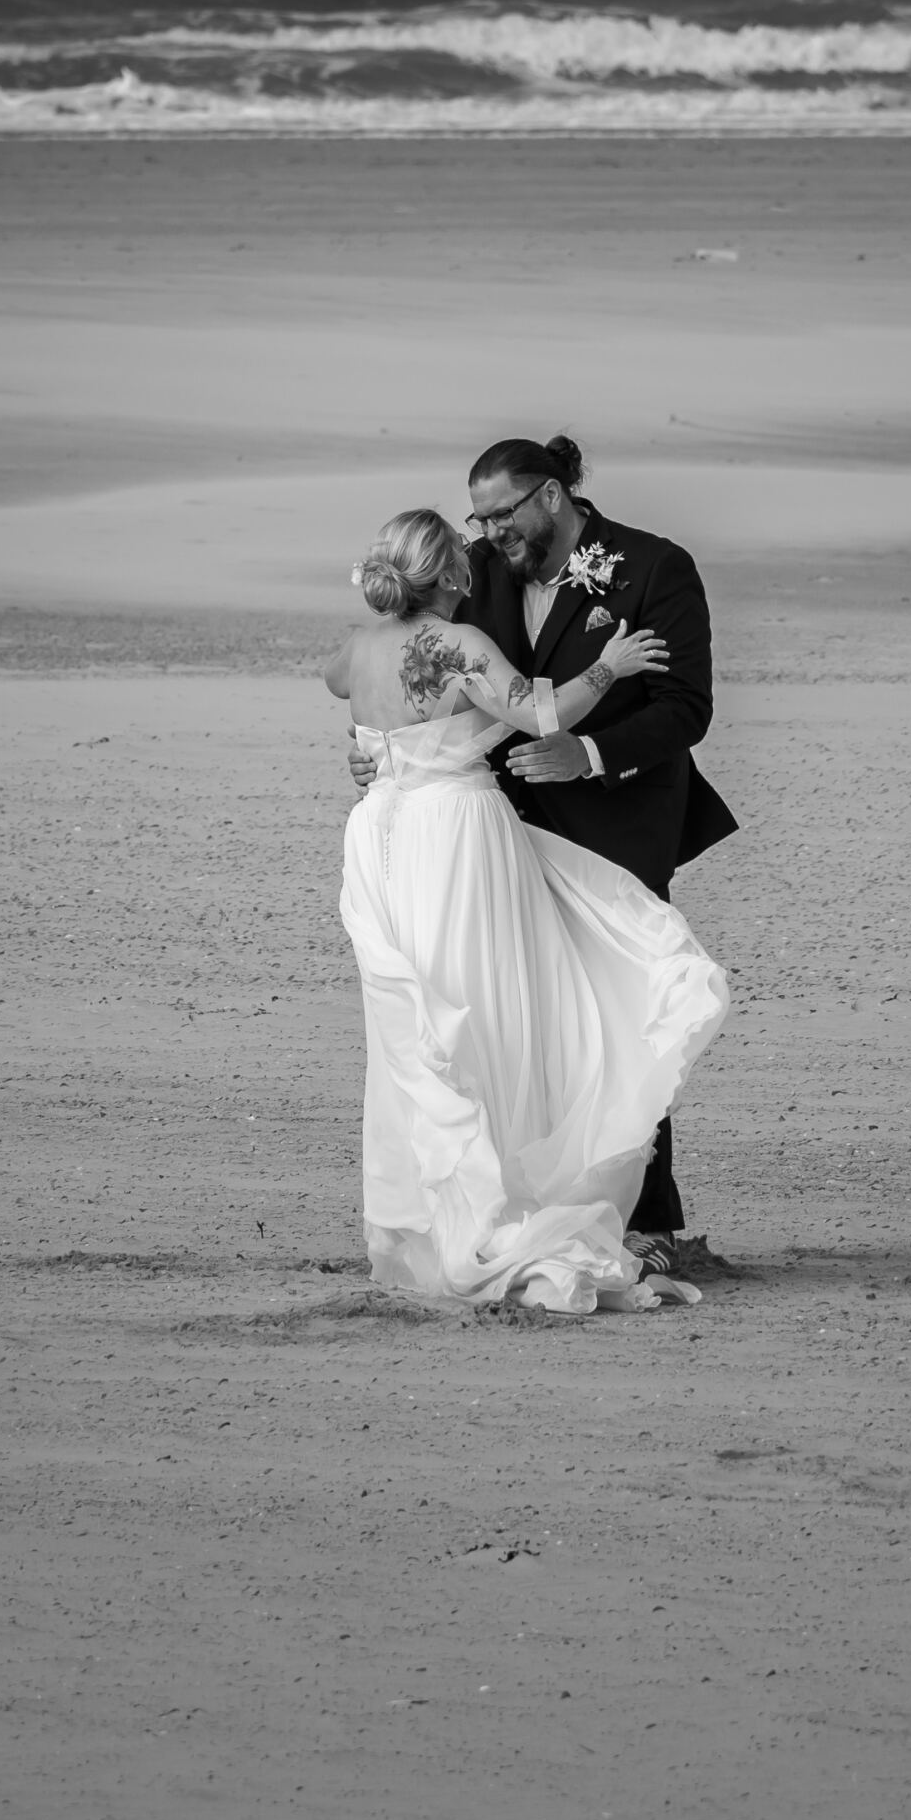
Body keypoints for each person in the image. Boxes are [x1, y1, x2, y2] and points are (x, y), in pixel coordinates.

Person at [324, 506, 729, 1313]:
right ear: (449, 575)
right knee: (490, 1007)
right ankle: (501, 1211)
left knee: (424, 1024)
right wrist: (610, 664)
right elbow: (541, 712)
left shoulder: (354, 649)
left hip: (383, 839)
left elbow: (359, 708)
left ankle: (431, 1220)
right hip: (454, 839)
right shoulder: (459, 644)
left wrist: (377, 753)